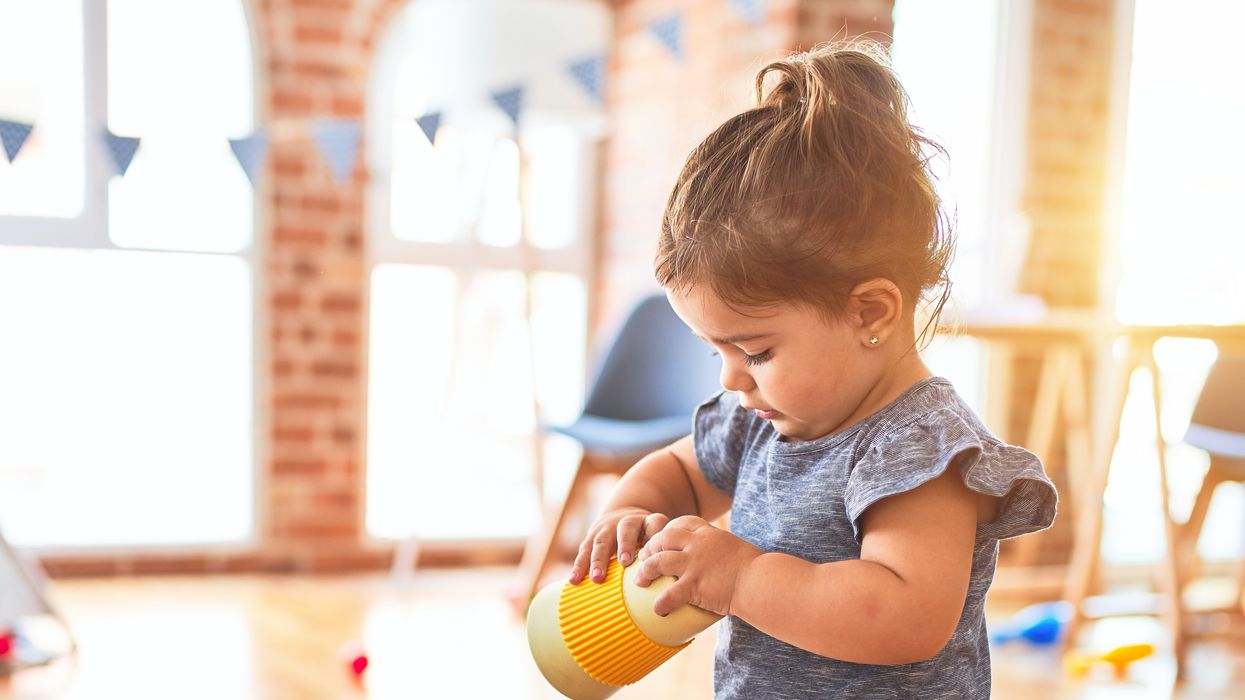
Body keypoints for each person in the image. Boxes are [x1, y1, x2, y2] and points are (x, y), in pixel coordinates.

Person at [567, 41, 1058, 699]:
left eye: (756, 352)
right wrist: (630, 513)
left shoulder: (918, 448)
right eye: (715, 350)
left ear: (869, 313)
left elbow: (905, 616)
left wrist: (744, 579)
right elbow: (677, 474)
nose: (731, 380)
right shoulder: (761, 419)